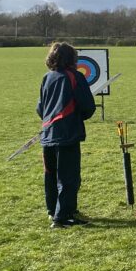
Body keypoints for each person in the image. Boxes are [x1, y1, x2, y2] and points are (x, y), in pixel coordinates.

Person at [37, 42, 97, 227]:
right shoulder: (75, 77)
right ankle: (63, 217)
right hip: (67, 134)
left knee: (51, 175)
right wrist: (75, 116)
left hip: (47, 135)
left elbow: (40, 108)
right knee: (68, 177)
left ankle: (54, 209)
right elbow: (88, 107)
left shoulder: (47, 77)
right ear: (72, 59)